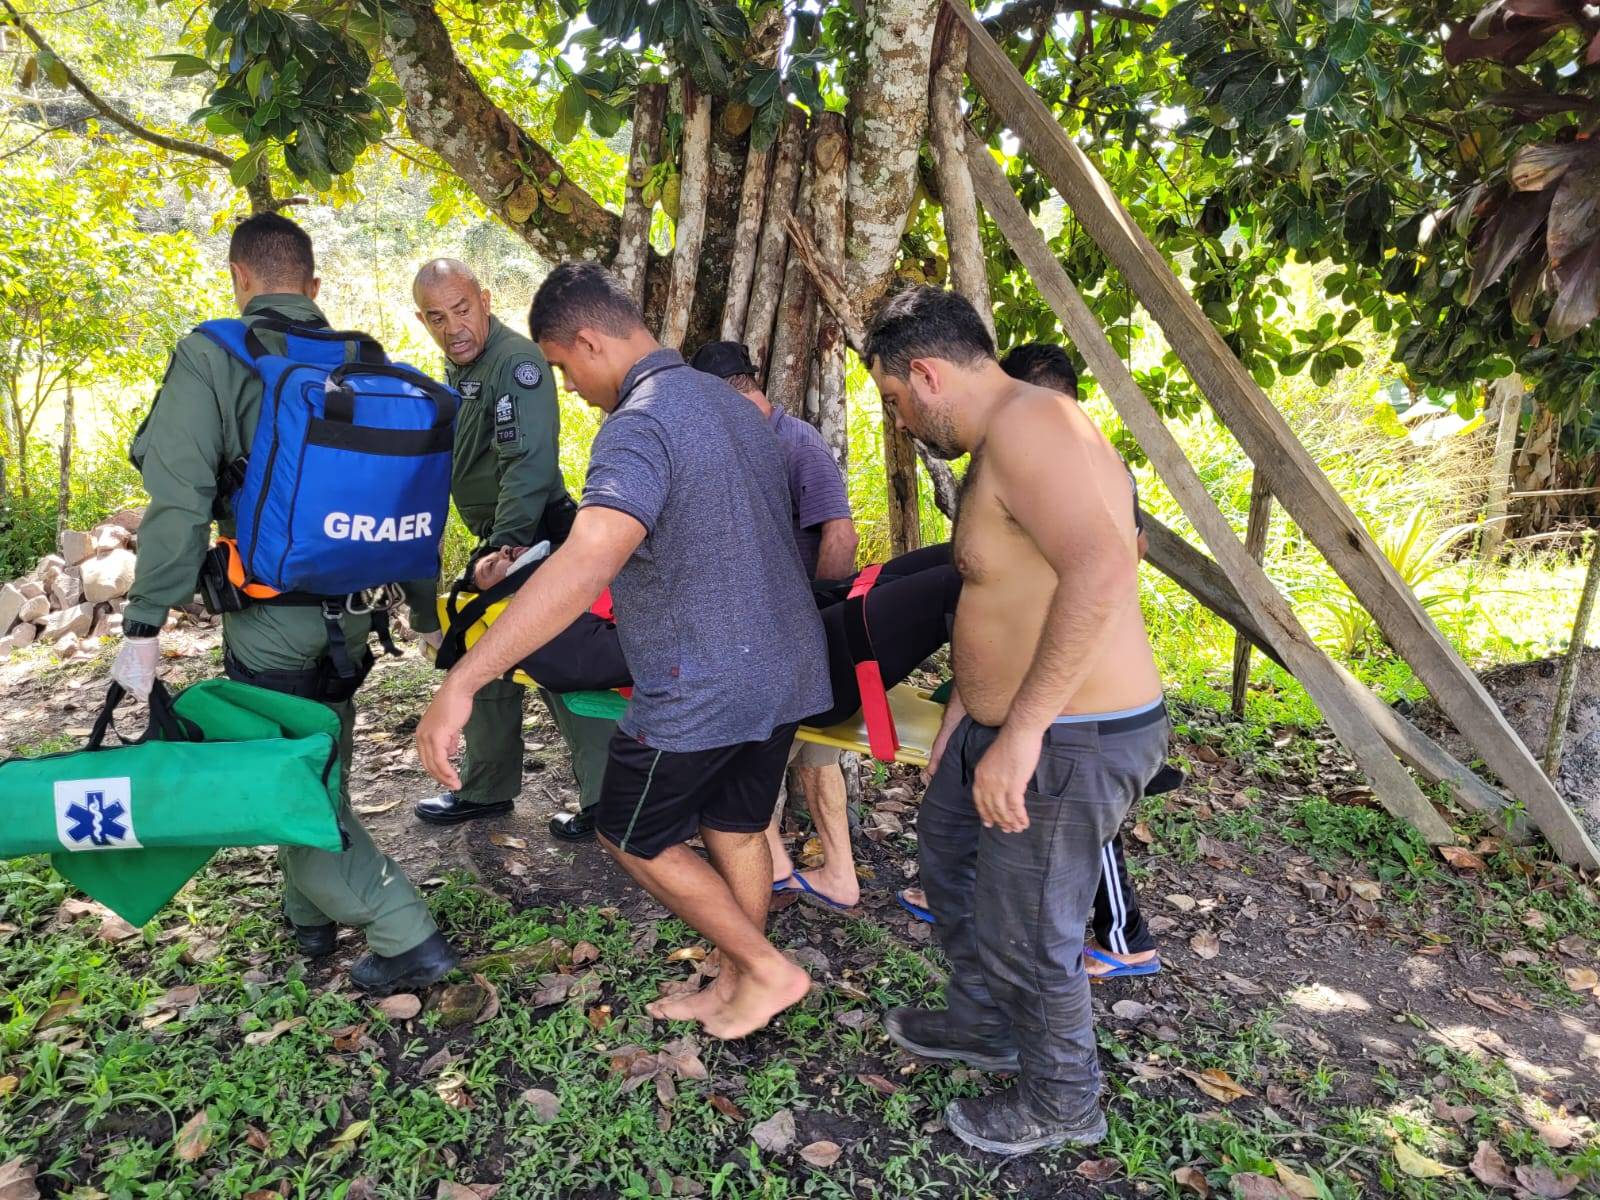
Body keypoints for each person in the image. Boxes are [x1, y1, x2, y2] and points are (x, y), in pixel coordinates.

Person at [416, 263, 831, 1039]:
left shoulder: (638, 423)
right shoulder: (732, 404)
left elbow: (587, 561)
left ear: (587, 341)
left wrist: (466, 677)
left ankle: (769, 971)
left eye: (567, 369)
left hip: (703, 680)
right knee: (736, 825)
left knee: (630, 831)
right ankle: (741, 977)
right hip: (786, 665)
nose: (570, 389)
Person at [112, 213, 458, 994]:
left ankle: (405, 932)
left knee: (291, 786)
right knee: (319, 751)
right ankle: (308, 916)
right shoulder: (364, 362)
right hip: (357, 612)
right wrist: (425, 611)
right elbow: (408, 499)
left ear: (239, 277)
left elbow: (179, 500)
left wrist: (144, 624)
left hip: (268, 616)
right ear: (313, 287)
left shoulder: (216, 353)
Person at [865, 288, 1169, 1156]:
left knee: (1029, 923)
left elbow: (1105, 570)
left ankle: (1065, 1103)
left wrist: (1024, 730)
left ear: (925, 373)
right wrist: (971, 716)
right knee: (949, 858)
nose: (902, 421)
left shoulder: (1035, 426)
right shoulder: (1006, 440)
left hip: (1072, 734)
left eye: (894, 400)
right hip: (1009, 724)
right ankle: (986, 1024)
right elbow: (1000, 595)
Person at [409, 259, 616, 838]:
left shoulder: (517, 362)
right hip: (498, 541)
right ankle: (485, 788)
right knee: (484, 658)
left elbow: (527, 464)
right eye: (437, 317)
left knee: (557, 665)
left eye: (463, 309)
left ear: (486, 298)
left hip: (534, 538)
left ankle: (606, 801)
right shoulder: (458, 367)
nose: (453, 326)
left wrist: (508, 549)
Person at [998, 342, 1162, 980]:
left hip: (1087, 676)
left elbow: (1119, 558)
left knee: (1084, 814)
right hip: (1064, 662)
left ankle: (1124, 935)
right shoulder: (1094, 461)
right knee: (1058, 807)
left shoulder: (1075, 463)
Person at [688, 340, 862, 910]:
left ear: (734, 392)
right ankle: (788, 868)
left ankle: (821, 871)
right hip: (759, 636)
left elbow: (839, 534)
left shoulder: (796, 442)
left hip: (798, 633)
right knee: (790, 757)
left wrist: (818, 613)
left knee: (791, 757)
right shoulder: (734, 442)